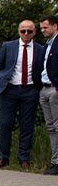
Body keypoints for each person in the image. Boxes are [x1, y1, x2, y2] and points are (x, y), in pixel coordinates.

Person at [0, 19, 43, 169]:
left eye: (29, 31)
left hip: (30, 90)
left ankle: (24, 158)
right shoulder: (8, 46)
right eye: (23, 31)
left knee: (27, 126)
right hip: (9, 90)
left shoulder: (41, 49)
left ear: (34, 32)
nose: (26, 33)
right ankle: (3, 157)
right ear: (19, 32)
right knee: (5, 124)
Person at [40, 15, 58, 175]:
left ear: (55, 26)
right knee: (51, 127)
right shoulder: (47, 45)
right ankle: (55, 161)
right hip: (44, 89)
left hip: (54, 89)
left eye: (45, 27)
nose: (42, 30)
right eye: (41, 28)